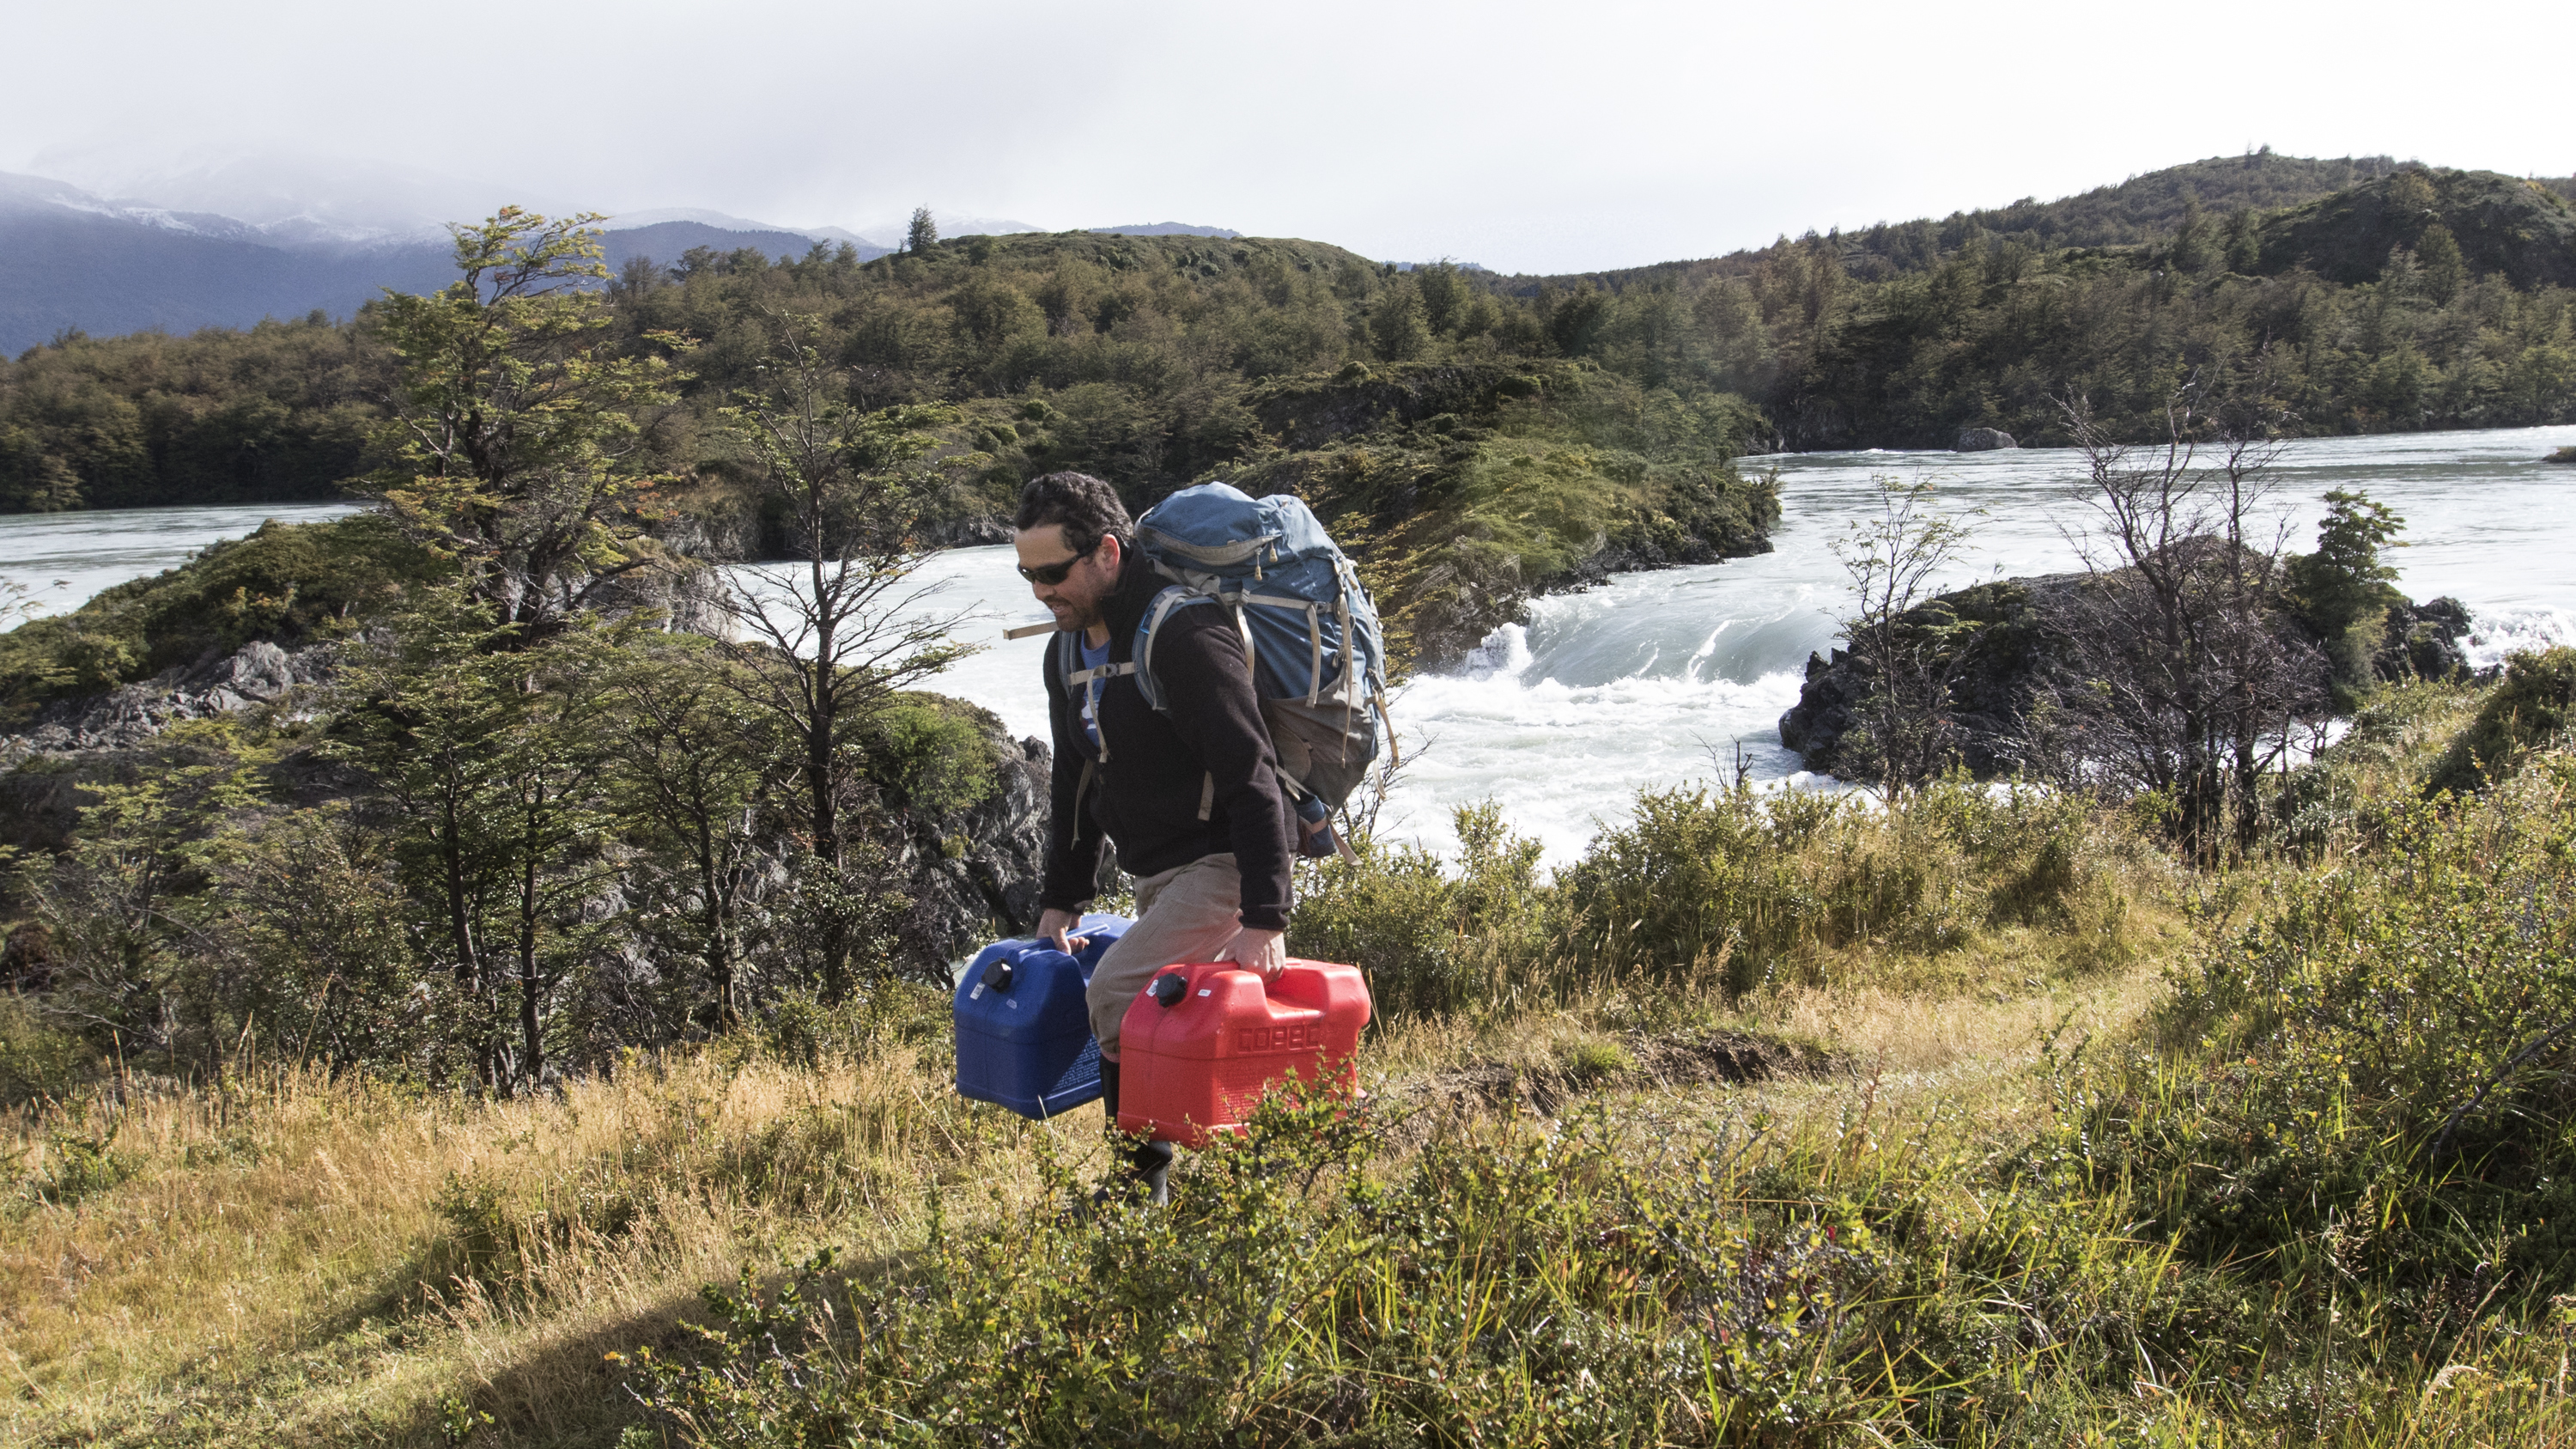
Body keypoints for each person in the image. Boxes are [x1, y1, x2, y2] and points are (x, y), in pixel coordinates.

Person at [1014, 472, 1293, 1206]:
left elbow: (1252, 772)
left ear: (1108, 552)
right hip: (1160, 869)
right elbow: (1073, 779)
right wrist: (1062, 897)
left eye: (1053, 573)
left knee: (1117, 993)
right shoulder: (1068, 655)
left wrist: (1267, 914)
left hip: (1227, 863)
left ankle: (1141, 1192)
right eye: (1027, 575)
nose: (1042, 592)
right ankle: (1189, 1177)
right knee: (1158, 1008)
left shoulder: (1184, 635)